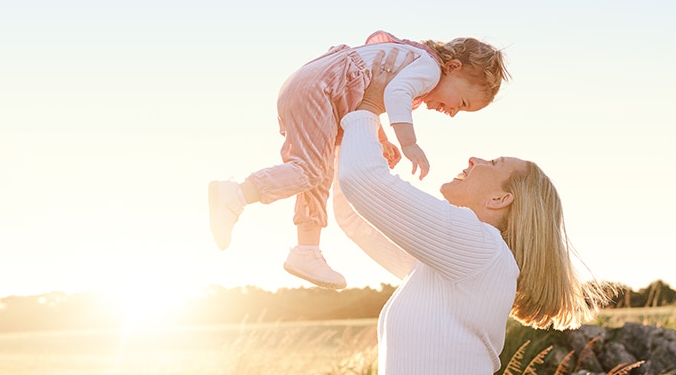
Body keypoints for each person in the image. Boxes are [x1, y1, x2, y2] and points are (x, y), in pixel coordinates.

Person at [334, 49, 603, 375]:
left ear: (501, 200)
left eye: (493, 164)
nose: (476, 158)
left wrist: (367, 105)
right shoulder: (447, 263)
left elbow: (362, 182)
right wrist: (353, 133)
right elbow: (352, 212)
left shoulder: (478, 249)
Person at [207, 30, 509, 289]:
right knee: (310, 171)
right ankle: (236, 194)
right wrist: (409, 143)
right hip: (319, 90)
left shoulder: (413, 60)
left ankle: (306, 250)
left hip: (313, 87)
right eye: (463, 103)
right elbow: (396, 94)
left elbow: (369, 94)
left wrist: (381, 139)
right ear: (453, 67)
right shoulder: (429, 69)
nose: (453, 112)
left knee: (319, 171)